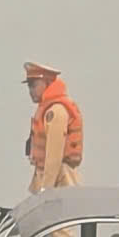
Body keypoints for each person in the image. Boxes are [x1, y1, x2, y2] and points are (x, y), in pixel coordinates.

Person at [22, 62, 83, 192]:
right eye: (29, 86)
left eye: (34, 85)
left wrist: (46, 189)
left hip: (60, 181)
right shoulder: (45, 110)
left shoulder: (55, 111)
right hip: (46, 179)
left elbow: (54, 154)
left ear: (47, 83)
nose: (30, 91)